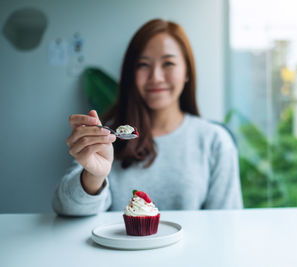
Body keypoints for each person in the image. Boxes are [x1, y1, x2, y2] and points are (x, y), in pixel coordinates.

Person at [53, 19, 243, 216]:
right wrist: (93, 175)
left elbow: (227, 223)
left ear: (187, 71)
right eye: (143, 65)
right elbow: (65, 208)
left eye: (168, 63)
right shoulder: (107, 136)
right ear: (130, 74)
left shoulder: (215, 140)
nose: (156, 77)